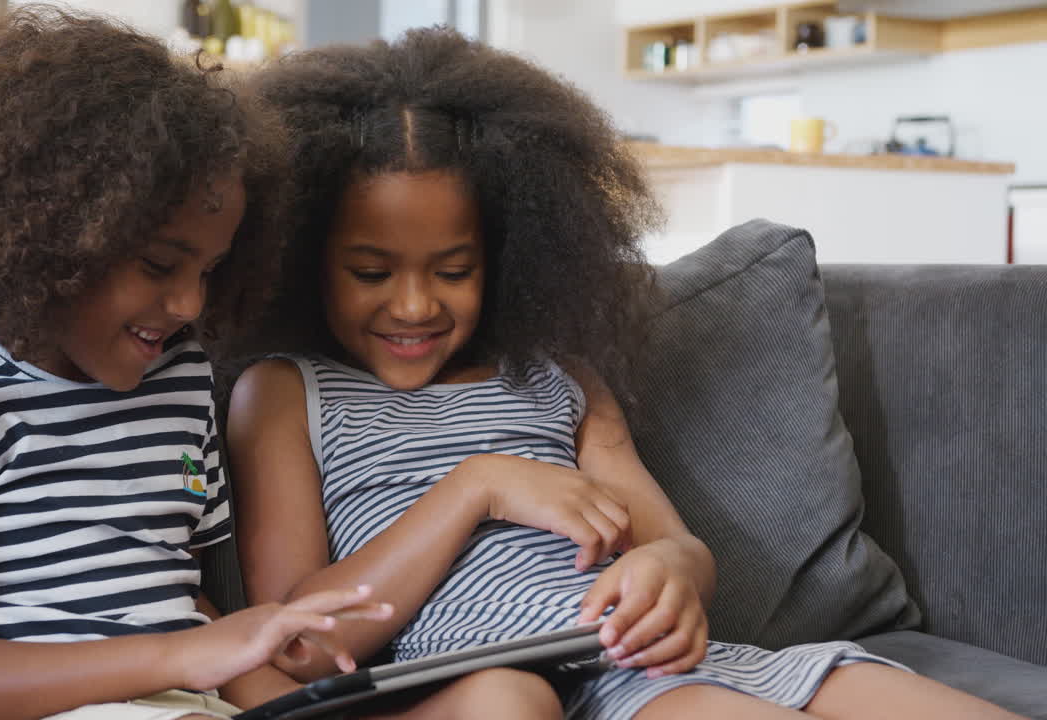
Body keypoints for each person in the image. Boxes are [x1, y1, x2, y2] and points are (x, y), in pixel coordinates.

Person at [223, 27, 1025, 720]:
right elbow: (298, 640)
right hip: (525, 682)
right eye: (370, 271)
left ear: (505, 257)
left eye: (453, 269)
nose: (413, 305)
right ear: (304, 262)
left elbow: (676, 544)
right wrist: (475, 487)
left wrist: (671, 571)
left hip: (661, 657)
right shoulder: (288, 394)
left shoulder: (556, 377)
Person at [0, 8, 393, 720]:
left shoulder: (182, 384)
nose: (189, 302)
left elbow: (172, 600)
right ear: (46, 239)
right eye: (158, 264)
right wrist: (183, 656)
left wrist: (287, 699)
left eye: (212, 269)